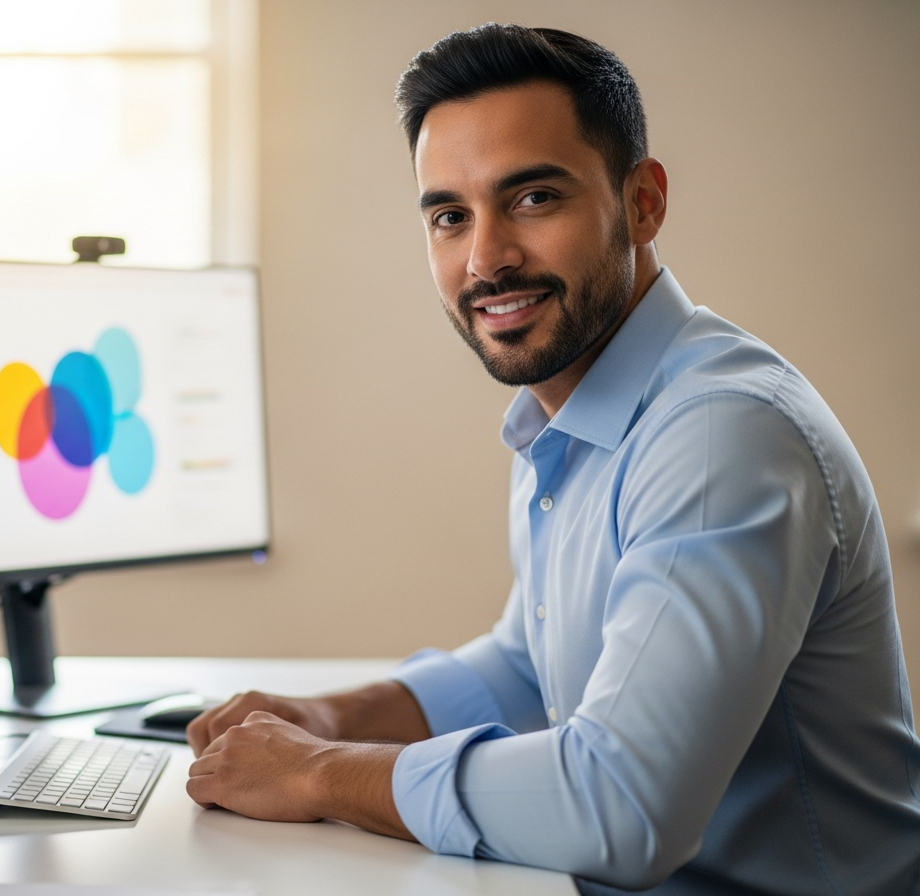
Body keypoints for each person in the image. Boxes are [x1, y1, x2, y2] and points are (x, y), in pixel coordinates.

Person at [184, 23, 920, 895]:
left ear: (642, 202)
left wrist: (318, 773)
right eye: (450, 216)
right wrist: (321, 716)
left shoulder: (722, 436)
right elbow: (529, 667)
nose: (486, 258)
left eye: (533, 199)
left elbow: (622, 808)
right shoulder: (571, 411)